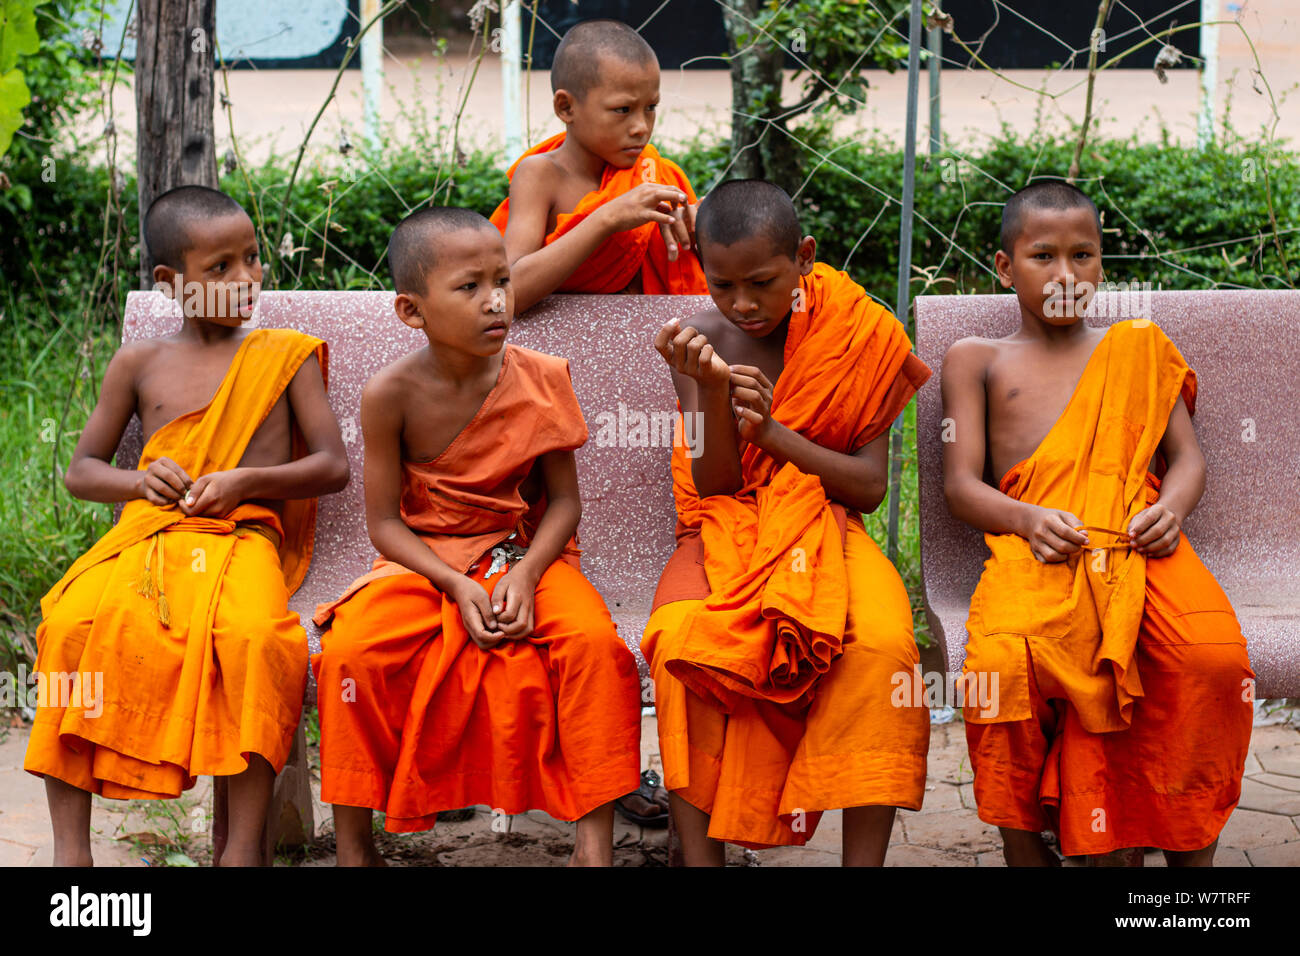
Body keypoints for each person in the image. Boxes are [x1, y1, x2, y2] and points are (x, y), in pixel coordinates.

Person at [24, 184, 349, 866]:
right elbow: (83, 471)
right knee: (68, 627)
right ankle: (71, 854)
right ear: (172, 283)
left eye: (254, 259)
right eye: (222, 267)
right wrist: (139, 480)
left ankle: (244, 850)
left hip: (241, 541)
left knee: (258, 639)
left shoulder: (284, 356)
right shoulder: (139, 363)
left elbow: (331, 466)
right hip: (149, 538)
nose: (247, 279)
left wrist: (248, 482)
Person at [312, 207, 642, 866]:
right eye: (470, 288)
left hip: (529, 555)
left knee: (596, 650)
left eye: (503, 281)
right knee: (350, 654)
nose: (497, 302)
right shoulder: (390, 395)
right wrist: (457, 583)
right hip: (427, 561)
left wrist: (522, 575)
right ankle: (354, 847)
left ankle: (593, 847)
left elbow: (565, 505)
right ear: (413, 311)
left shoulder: (541, 376)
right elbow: (384, 525)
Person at [939, 180, 1254, 866]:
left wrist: (1169, 511)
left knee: (1211, 661)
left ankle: (1186, 838)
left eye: (1083, 255)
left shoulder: (1136, 348)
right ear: (1003, 266)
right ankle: (1028, 848)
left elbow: (1187, 461)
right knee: (1000, 666)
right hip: (1041, 553)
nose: (1064, 274)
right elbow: (961, 487)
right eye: (1042, 256)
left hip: (1140, 547)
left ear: (1102, 265)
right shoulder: (976, 359)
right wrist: (1025, 519)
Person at [643, 179, 932, 865]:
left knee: (885, 649)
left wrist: (771, 434)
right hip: (725, 527)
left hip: (826, 524)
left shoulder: (860, 331)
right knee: (683, 643)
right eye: (722, 285)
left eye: (762, 282)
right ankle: (701, 860)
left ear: (804, 257)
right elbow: (715, 486)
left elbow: (865, 489)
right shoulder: (702, 341)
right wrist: (711, 395)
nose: (742, 305)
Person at [488, 18, 707, 313]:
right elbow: (509, 292)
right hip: (560, 347)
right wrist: (607, 219)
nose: (641, 127)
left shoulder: (654, 175)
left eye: (651, 108)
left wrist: (699, 233)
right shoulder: (541, 175)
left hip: (652, 344)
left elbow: (692, 279)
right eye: (623, 110)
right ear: (566, 107)